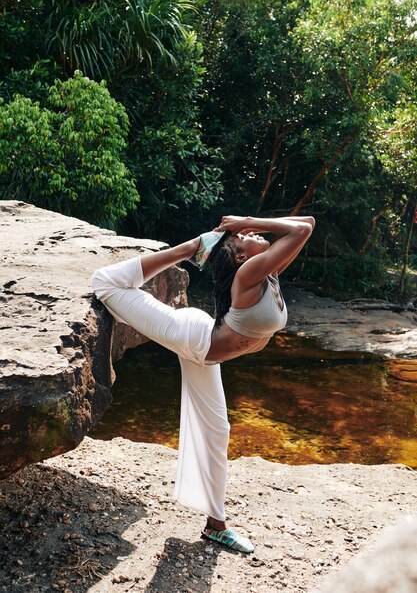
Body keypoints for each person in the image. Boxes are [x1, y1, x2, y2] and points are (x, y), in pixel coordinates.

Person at [91, 214, 314, 553]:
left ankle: (215, 526)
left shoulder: (267, 273)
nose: (251, 232)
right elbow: (300, 229)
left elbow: (307, 222)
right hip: (193, 338)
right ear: (240, 258)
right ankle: (187, 249)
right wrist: (234, 227)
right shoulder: (247, 274)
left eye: (249, 233)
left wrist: (239, 228)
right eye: (245, 237)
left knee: (217, 430)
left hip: (206, 349)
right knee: (105, 282)